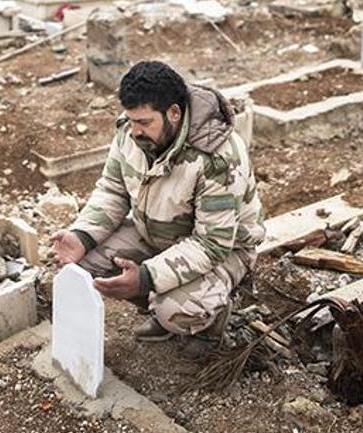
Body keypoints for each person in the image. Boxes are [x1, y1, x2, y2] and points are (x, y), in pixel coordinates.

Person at [51, 60, 265, 342]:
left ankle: (207, 322)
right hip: (156, 234)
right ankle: (158, 301)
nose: (135, 131)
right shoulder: (131, 132)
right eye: (130, 120)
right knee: (84, 263)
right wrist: (83, 236)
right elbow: (114, 190)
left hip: (224, 251)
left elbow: (212, 244)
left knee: (177, 310)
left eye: (144, 122)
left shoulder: (217, 158)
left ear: (174, 113)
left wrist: (146, 278)